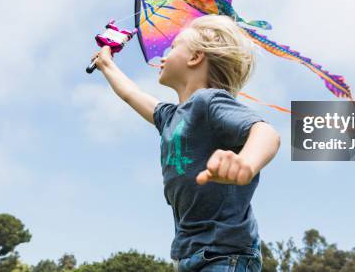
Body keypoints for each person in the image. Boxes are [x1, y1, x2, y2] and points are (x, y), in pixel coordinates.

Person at [92, 14, 281, 272]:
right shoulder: (170, 116)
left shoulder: (209, 101)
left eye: (173, 48)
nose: (163, 56)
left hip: (224, 255)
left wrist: (246, 162)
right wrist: (106, 64)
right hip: (189, 254)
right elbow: (131, 94)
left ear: (195, 58)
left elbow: (265, 132)